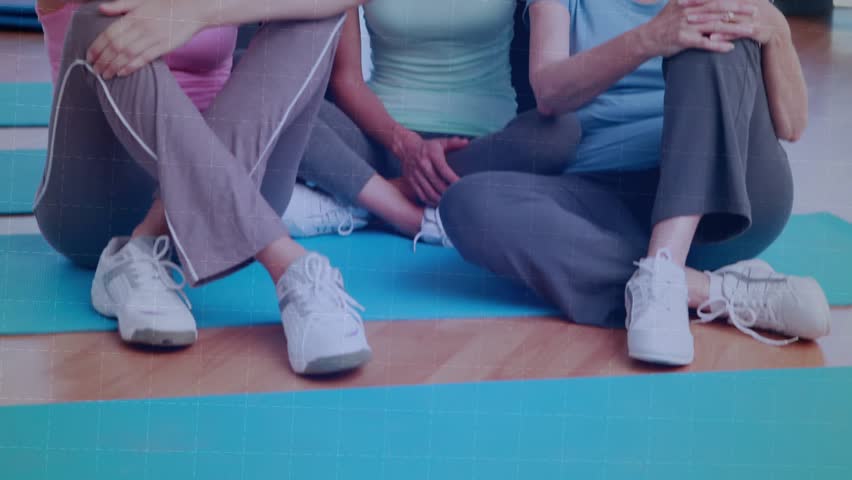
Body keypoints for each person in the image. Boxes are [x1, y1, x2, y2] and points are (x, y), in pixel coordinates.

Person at [439, 0, 832, 366]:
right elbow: (549, 92)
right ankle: (709, 291)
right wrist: (650, 38)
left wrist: (777, 30)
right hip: (614, 195)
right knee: (469, 203)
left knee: (707, 33)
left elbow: (792, 126)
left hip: (733, 198)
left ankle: (664, 266)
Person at [33, 0, 372, 375]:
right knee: (98, 19)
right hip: (95, 209)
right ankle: (286, 261)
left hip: (227, 198)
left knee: (317, 15)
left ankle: (141, 247)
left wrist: (198, 12)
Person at [280, 0, 582, 249]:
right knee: (276, 94)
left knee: (560, 132)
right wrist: (404, 144)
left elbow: (550, 76)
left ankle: (364, 200)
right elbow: (346, 80)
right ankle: (408, 215)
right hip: (380, 143)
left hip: (480, 153)